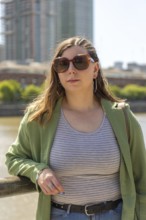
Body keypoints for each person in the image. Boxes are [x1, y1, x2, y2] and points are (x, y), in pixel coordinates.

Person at [5, 36, 146, 220]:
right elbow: (13, 158)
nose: (71, 70)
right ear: (57, 72)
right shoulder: (39, 117)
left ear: (95, 69)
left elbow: (142, 179)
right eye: (62, 64)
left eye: (80, 62)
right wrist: (38, 171)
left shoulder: (123, 116)